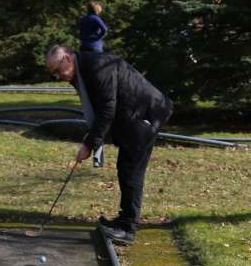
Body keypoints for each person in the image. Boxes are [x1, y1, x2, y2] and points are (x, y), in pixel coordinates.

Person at [45, 44, 173, 245]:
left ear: (67, 59)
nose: (57, 77)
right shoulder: (82, 69)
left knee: (131, 171)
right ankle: (123, 220)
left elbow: (107, 109)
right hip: (131, 117)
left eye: (57, 71)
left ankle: (128, 229)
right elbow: (99, 108)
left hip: (145, 114)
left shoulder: (97, 67)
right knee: (125, 169)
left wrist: (89, 144)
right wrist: (92, 138)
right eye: (53, 74)